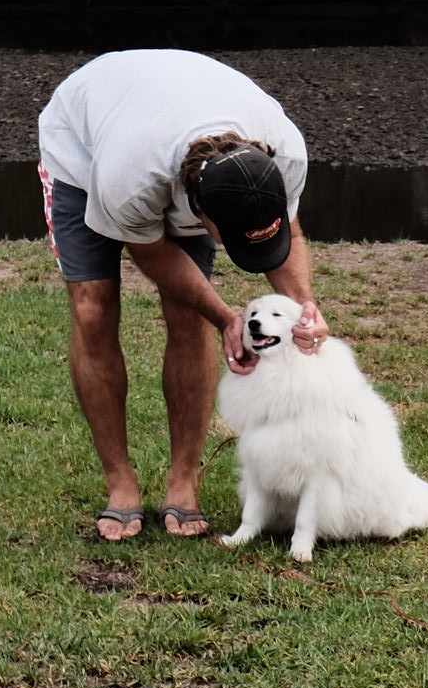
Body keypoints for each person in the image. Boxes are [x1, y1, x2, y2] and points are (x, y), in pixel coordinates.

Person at [37, 47, 330, 543]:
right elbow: (151, 256)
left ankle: (184, 480)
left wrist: (305, 310)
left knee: (186, 314)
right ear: (198, 212)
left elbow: (291, 238)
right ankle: (121, 483)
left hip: (170, 115)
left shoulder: (285, 154)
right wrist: (226, 318)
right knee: (93, 308)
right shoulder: (129, 179)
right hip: (84, 146)